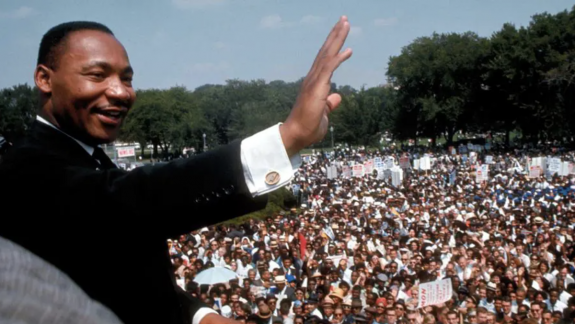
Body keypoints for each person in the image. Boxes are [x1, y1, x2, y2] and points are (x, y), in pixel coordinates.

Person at [0, 16, 352, 324]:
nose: (121, 92)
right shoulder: (26, 169)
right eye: (97, 75)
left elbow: (118, 281)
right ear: (44, 79)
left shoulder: (88, 159)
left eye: (127, 78)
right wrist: (287, 138)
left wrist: (200, 315)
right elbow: (132, 201)